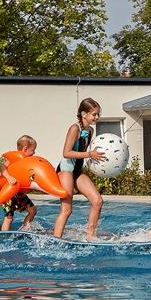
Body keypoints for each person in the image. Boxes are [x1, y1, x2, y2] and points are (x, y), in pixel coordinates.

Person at [54, 98, 105, 239]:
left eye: (98, 114)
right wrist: (89, 154)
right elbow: (66, 152)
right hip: (65, 170)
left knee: (97, 201)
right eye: (94, 114)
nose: (97, 117)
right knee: (67, 209)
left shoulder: (90, 130)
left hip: (77, 171)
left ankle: (90, 235)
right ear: (83, 114)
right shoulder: (74, 128)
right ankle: (56, 239)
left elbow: (83, 152)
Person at [0, 135, 40, 232]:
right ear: (25, 149)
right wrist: (8, 177)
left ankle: (24, 230)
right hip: (9, 193)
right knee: (8, 218)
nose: (34, 152)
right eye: (33, 150)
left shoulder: (28, 162)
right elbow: (4, 168)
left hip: (20, 194)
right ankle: (4, 235)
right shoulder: (14, 158)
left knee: (33, 211)